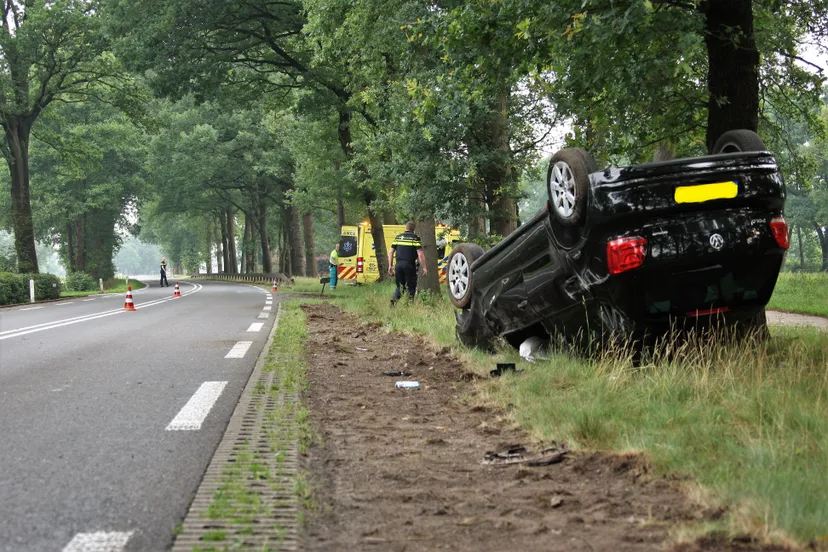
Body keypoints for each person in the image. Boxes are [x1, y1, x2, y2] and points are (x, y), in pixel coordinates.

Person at [387, 221, 427, 304]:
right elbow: (420, 253)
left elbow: (390, 252)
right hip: (409, 265)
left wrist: (390, 266)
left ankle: (394, 299)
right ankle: (410, 304)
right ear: (414, 229)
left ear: (406, 228)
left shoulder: (398, 237)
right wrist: (424, 267)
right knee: (411, 285)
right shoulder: (415, 238)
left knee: (400, 285)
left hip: (398, 265)